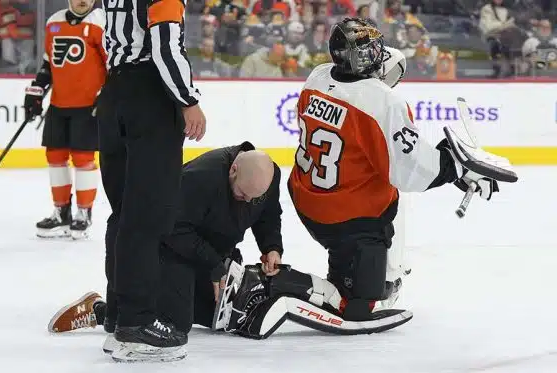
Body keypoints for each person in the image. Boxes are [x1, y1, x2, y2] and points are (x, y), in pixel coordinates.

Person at [211, 18, 517, 339]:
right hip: (348, 217)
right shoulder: (382, 101)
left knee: (371, 219)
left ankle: (365, 272)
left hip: (308, 197)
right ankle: (262, 282)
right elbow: (411, 170)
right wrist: (454, 166)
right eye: (369, 49)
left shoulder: (317, 77)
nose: (376, 53)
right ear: (354, 55)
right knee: (357, 305)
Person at [47, 143, 283, 353]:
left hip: (214, 254)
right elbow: (172, 230)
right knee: (177, 325)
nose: (248, 201)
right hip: (175, 249)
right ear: (233, 170)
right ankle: (102, 310)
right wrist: (212, 263)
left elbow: (268, 215)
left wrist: (272, 247)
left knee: (223, 317)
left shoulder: (266, 178)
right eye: (242, 194)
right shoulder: (201, 177)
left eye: (255, 198)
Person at [97, 0, 207, 363]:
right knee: (147, 216)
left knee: (124, 214)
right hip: (150, 97)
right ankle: (136, 324)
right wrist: (187, 98)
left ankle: (118, 319)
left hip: (114, 96)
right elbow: (164, 42)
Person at [23, 0, 106, 240]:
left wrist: (107, 95)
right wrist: (37, 90)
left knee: (82, 158)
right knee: (55, 156)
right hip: (59, 104)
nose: (84, 1)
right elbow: (49, 63)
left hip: (88, 106)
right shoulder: (54, 22)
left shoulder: (100, 21)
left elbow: (113, 64)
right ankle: (61, 212)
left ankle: (83, 213)